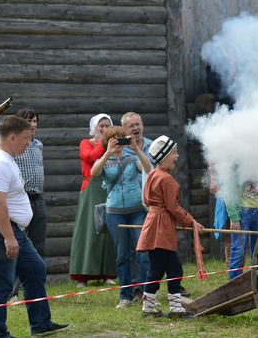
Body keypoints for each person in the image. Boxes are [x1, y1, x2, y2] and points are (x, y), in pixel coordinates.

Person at [0, 115, 69, 338]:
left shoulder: (7, 159)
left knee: (35, 268)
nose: (28, 143)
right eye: (26, 138)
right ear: (12, 137)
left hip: (12, 228)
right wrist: (8, 237)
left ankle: (41, 323)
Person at [136, 136, 203, 317]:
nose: (177, 156)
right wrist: (191, 222)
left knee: (159, 269)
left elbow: (145, 200)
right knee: (171, 269)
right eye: (174, 153)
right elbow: (173, 207)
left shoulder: (152, 175)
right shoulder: (167, 180)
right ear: (163, 156)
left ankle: (152, 308)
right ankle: (172, 308)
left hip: (153, 224)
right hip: (162, 229)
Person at [92, 121, 153, 309]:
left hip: (136, 211)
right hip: (115, 213)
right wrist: (108, 153)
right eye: (113, 140)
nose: (117, 143)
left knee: (142, 252)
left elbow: (148, 168)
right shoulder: (105, 158)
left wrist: (135, 148)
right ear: (107, 142)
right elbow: (94, 173)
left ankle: (146, 293)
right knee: (121, 254)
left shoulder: (132, 156)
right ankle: (125, 295)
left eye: (119, 139)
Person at [70, 113, 117, 287]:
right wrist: (105, 145)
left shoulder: (114, 145)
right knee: (89, 229)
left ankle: (107, 273)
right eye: (101, 125)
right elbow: (89, 157)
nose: (104, 129)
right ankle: (83, 274)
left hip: (108, 187)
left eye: (107, 125)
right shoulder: (86, 143)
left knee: (107, 229)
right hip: (91, 187)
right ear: (95, 127)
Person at [14, 108, 47, 259]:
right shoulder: (15, 145)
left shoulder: (39, 145)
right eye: (29, 121)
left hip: (38, 197)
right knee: (20, 239)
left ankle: (36, 279)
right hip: (21, 197)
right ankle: (16, 282)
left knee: (38, 241)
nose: (33, 125)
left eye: (35, 121)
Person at [225, 181, 258, 280]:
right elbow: (229, 189)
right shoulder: (235, 166)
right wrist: (234, 217)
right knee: (238, 250)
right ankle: (234, 284)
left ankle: (257, 282)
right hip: (242, 211)